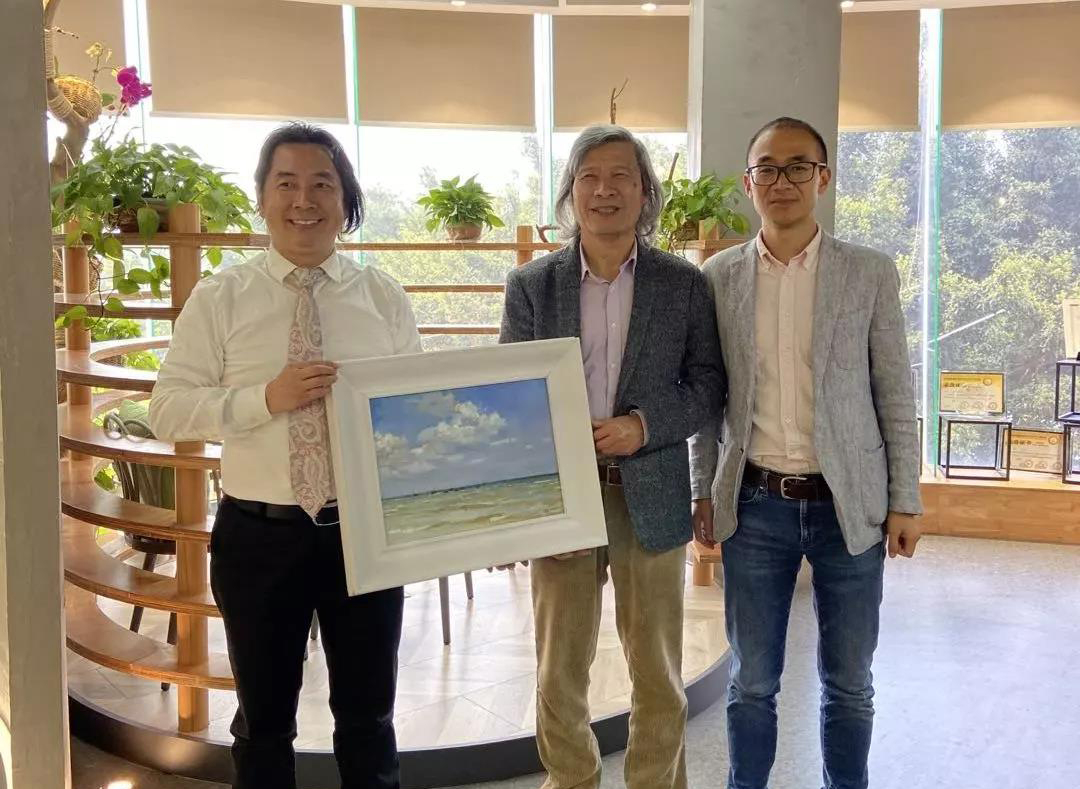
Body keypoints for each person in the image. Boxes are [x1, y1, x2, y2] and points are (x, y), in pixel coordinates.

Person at [149, 122, 421, 789]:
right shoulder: (222, 296)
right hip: (258, 538)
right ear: (263, 198)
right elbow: (168, 409)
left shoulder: (383, 296)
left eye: (322, 183)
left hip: (363, 533)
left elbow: (412, 414)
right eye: (287, 183)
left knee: (370, 719)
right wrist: (263, 399)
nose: (305, 200)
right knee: (263, 724)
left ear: (345, 199)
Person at [689, 116, 923, 789]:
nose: (782, 180)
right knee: (752, 681)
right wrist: (702, 490)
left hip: (850, 505)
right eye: (767, 167)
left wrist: (906, 499)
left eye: (798, 166)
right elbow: (708, 399)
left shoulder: (868, 272)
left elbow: (894, 391)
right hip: (755, 505)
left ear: (823, 177)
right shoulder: (718, 276)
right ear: (748, 182)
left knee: (849, 682)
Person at [499, 124, 725, 789]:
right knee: (558, 665)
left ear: (645, 192)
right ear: (571, 192)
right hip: (561, 495)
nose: (605, 189)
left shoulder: (683, 284)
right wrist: (519, 508)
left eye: (621, 175)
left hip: (650, 491)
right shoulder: (532, 286)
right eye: (589, 176)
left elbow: (708, 385)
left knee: (657, 667)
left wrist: (642, 425)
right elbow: (512, 394)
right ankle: (571, 778)